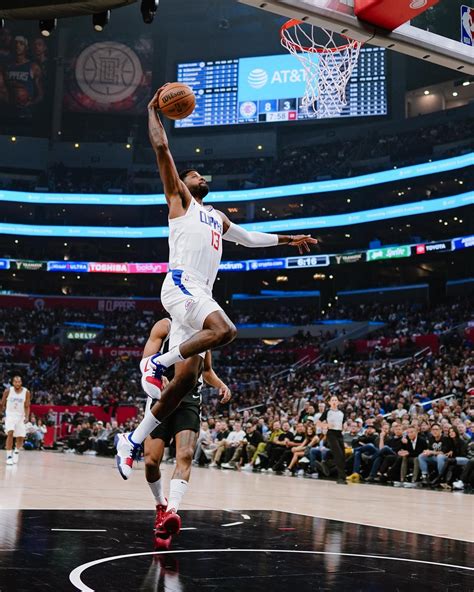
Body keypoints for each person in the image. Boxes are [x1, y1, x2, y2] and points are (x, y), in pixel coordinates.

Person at [116, 85, 317, 478]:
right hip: (181, 284)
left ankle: (133, 440)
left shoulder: (218, 217)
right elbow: (162, 150)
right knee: (225, 330)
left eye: (198, 174)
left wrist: (288, 239)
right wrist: (153, 111)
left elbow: (249, 238)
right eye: (192, 174)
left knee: (185, 381)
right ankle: (156, 363)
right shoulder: (180, 201)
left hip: (197, 296)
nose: (197, 175)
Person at [140, 318, 231, 549]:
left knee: (186, 454)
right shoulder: (164, 326)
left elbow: (207, 370)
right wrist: (155, 374)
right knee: (151, 461)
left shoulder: (205, 332)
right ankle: (161, 505)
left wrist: (221, 385)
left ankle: (172, 512)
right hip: (161, 396)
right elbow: (145, 362)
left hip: (190, 399)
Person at [0, 376, 31, 465]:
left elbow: (27, 405)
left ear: (21, 382)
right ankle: (9, 456)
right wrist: (0, 413)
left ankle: (16, 451)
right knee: (10, 433)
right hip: (10, 415)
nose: (17, 383)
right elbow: (2, 403)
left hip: (21, 416)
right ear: (13, 383)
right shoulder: (8, 391)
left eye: (19, 382)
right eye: (15, 382)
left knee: (20, 437)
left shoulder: (26, 392)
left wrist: (27, 417)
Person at [317, 395, 347, 484]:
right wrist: (326, 426)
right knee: (338, 455)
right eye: (332, 400)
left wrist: (345, 426)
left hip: (339, 434)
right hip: (331, 434)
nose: (334, 401)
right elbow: (318, 423)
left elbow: (344, 423)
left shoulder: (342, 412)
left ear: (338, 402)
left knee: (343, 455)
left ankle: (326, 464)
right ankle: (341, 478)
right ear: (329, 402)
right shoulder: (327, 412)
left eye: (336, 400)